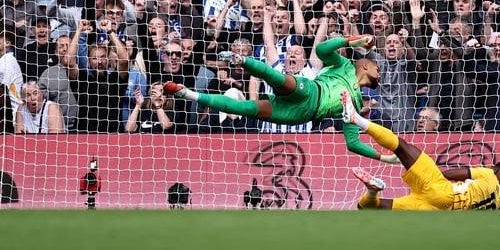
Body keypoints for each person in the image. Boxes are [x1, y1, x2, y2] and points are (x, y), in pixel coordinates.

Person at [164, 34, 385, 160]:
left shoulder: (355, 105)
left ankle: (188, 93)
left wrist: (383, 157)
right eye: (378, 67)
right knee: (278, 79)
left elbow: (353, 143)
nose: (380, 72)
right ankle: (242, 60)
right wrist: (351, 41)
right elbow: (322, 48)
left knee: (244, 108)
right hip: (310, 92)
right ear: (365, 64)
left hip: (299, 114)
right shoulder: (344, 65)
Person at [342, 90, 500, 210]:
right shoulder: (496, 203)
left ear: (495, 169)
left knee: (402, 146)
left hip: (443, 192)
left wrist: (426, 174)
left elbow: (450, 173)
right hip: (437, 212)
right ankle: (372, 191)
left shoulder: (489, 175)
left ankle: (356, 118)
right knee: (371, 207)